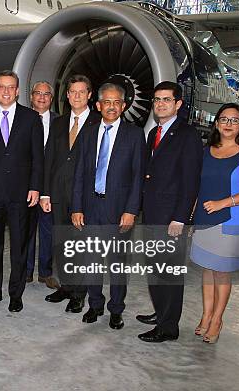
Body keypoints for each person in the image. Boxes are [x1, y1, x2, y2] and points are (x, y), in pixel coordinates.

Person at [71, 83, 145, 329]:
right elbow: (79, 172)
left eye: (116, 102)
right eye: (107, 102)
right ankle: (95, 304)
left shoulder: (134, 135)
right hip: (91, 207)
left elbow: (137, 176)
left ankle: (116, 309)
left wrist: (131, 210)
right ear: (98, 105)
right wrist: (76, 207)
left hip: (119, 210)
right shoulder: (89, 133)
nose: (111, 107)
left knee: (117, 263)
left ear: (123, 106)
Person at [136, 81, 203, 343]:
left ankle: (168, 327)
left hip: (171, 217)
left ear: (178, 104)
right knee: (155, 268)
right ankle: (161, 312)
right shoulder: (155, 132)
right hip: (153, 212)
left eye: (166, 99)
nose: (160, 104)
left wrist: (181, 217)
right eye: (156, 100)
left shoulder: (187, 135)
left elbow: (190, 180)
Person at [0, 70, 43, 313]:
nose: (5, 91)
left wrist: (35, 186)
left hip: (21, 194)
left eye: (10, 87)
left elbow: (38, 158)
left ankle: (16, 293)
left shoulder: (31, 118)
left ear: (17, 90)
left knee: (19, 247)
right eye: (1, 86)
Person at [190, 103, 239, 344]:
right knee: (207, 269)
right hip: (204, 216)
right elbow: (197, 186)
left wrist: (223, 203)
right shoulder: (205, 150)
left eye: (234, 120)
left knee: (222, 272)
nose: (228, 124)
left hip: (232, 218)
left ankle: (218, 319)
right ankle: (206, 314)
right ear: (216, 123)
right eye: (224, 119)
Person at [41, 75, 101, 312]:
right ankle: (66, 286)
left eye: (81, 92)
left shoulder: (98, 123)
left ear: (89, 95)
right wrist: (45, 193)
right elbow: (49, 160)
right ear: (67, 95)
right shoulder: (58, 123)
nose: (76, 96)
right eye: (72, 92)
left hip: (84, 196)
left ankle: (79, 292)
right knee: (61, 242)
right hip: (57, 193)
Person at [26, 81, 58, 289]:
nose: (42, 97)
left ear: (51, 98)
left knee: (48, 231)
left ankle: (45, 272)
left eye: (46, 94)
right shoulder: (22, 119)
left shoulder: (60, 122)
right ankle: (26, 271)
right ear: (31, 96)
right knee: (26, 229)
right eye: (38, 93)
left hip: (50, 186)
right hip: (25, 185)